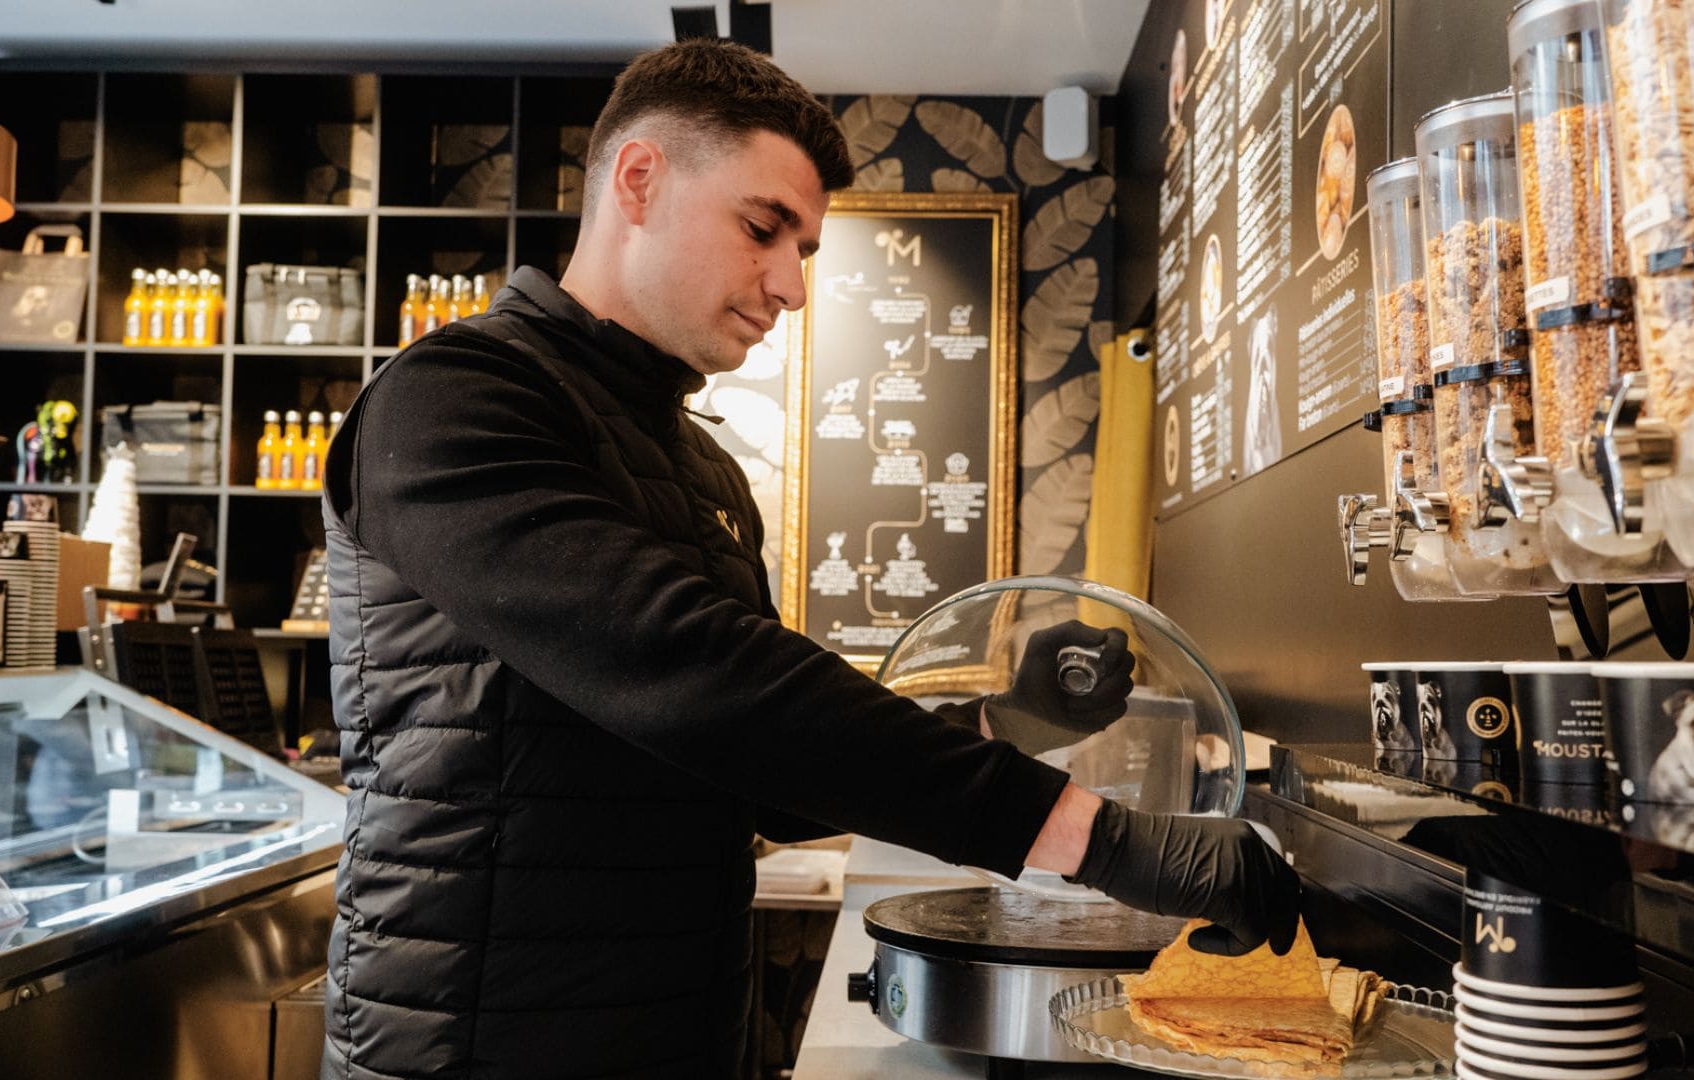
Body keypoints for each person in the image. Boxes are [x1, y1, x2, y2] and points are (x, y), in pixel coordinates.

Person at [319, 39, 1299, 1080]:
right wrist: (1103, 840)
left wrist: (1008, 716)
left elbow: (769, 774)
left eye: (805, 251)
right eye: (762, 228)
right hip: (477, 1043)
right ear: (639, 180)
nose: (789, 284)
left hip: (679, 1033)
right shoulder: (451, 400)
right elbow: (694, 672)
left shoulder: (702, 469)